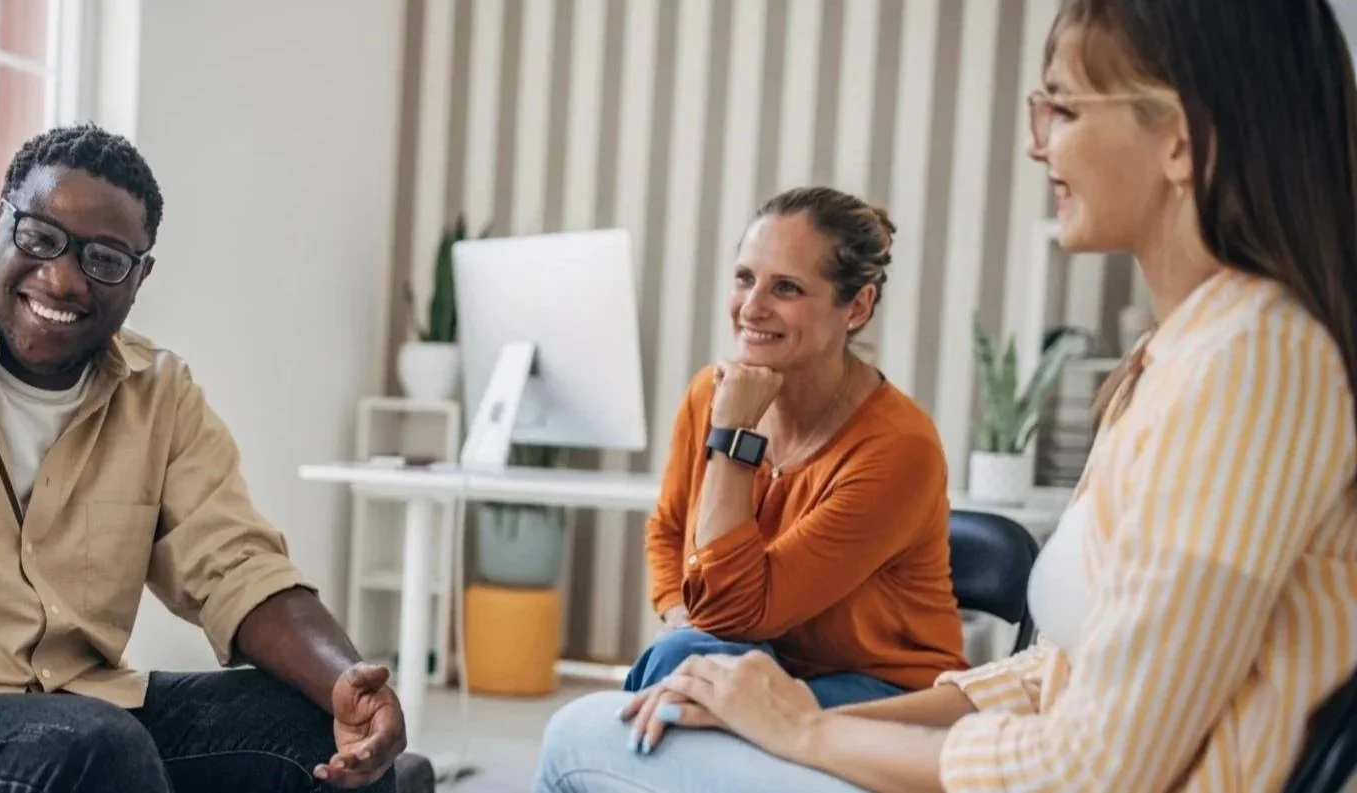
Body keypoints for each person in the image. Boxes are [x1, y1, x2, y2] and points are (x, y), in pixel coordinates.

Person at [536, 1, 1357, 791]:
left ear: (1180, 139)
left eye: (1065, 109)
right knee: (670, 687)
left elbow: (1094, 769)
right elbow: (1049, 677)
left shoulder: (1252, 363)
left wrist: (811, 733)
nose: (1039, 143)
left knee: (582, 735)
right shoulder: (1175, 358)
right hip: (936, 725)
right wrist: (807, 721)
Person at [0, 123, 421, 793]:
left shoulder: (160, 394)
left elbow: (238, 569)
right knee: (96, 745)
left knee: (311, 729)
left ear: (140, 276)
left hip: (78, 703)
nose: (64, 278)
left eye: (103, 259)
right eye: (40, 238)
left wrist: (346, 683)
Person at [614, 186, 968, 735]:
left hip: (881, 691)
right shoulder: (712, 394)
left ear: (857, 306)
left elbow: (733, 615)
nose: (752, 307)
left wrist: (733, 438)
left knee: (689, 671)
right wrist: (685, 620)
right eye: (744, 278)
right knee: (687, 660)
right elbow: (669, 529)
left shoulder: (899, 448)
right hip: (756, 656)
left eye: (786, 288)